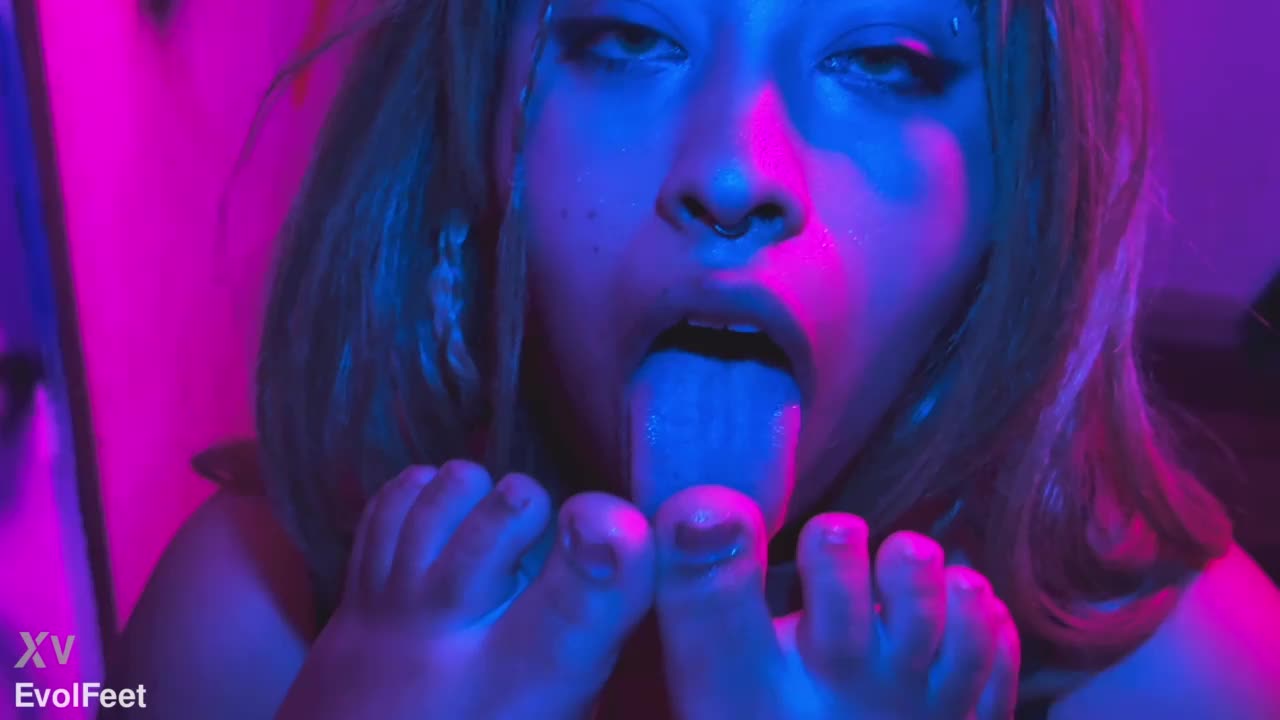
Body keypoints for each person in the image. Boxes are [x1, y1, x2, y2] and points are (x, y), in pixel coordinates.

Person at [111, 0, 1280, 718]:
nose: (730, 169)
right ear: (479, 128)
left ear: (1017, 192)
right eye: (625, 38)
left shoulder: (1198, 681)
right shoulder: (250, 618)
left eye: (883, 61)